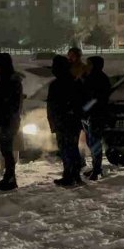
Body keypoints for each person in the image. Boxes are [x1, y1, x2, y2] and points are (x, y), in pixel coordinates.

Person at [47, 55, 85, 187]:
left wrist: (56, 121)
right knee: (71, 148)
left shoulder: (58, 84)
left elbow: (53, 106)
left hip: (64, 122)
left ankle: (70, 175)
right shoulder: (75, 82)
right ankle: (74, 174)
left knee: (66, 149)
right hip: (71, 122)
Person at [0, 53, 22, 191]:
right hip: (6, 119)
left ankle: (10, 179)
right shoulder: (6, 78)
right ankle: (9, 177)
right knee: (5, 149)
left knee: (7, 150)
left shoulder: (10, 79)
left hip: (7, 120)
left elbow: (5, 99)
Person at [82, 56, 111, 180]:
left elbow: (96, 99)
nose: (86, 65)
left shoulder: (99, 79)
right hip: (91, 115)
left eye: (89, 63)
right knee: (91, 141)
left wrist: (87, 109)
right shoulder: (92, 77)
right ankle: (96, 168)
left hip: (96, 115)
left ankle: (97, 169)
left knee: (94, 142)